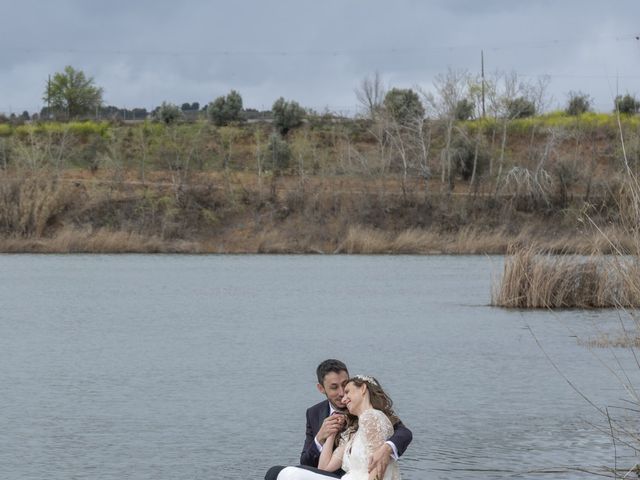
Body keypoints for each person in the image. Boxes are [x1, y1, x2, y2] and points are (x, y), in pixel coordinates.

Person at [265, 360, 411, 480]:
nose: (342, 394)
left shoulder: (370, 415)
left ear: (362, 389)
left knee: (278, 473)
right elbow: (309, 463)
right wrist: (322, 437)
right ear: (321, 388)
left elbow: (404, 432)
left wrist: (387, 448)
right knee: (280, 473)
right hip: (331, 475)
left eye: (345, 386)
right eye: (334, 387)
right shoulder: (314, 413)